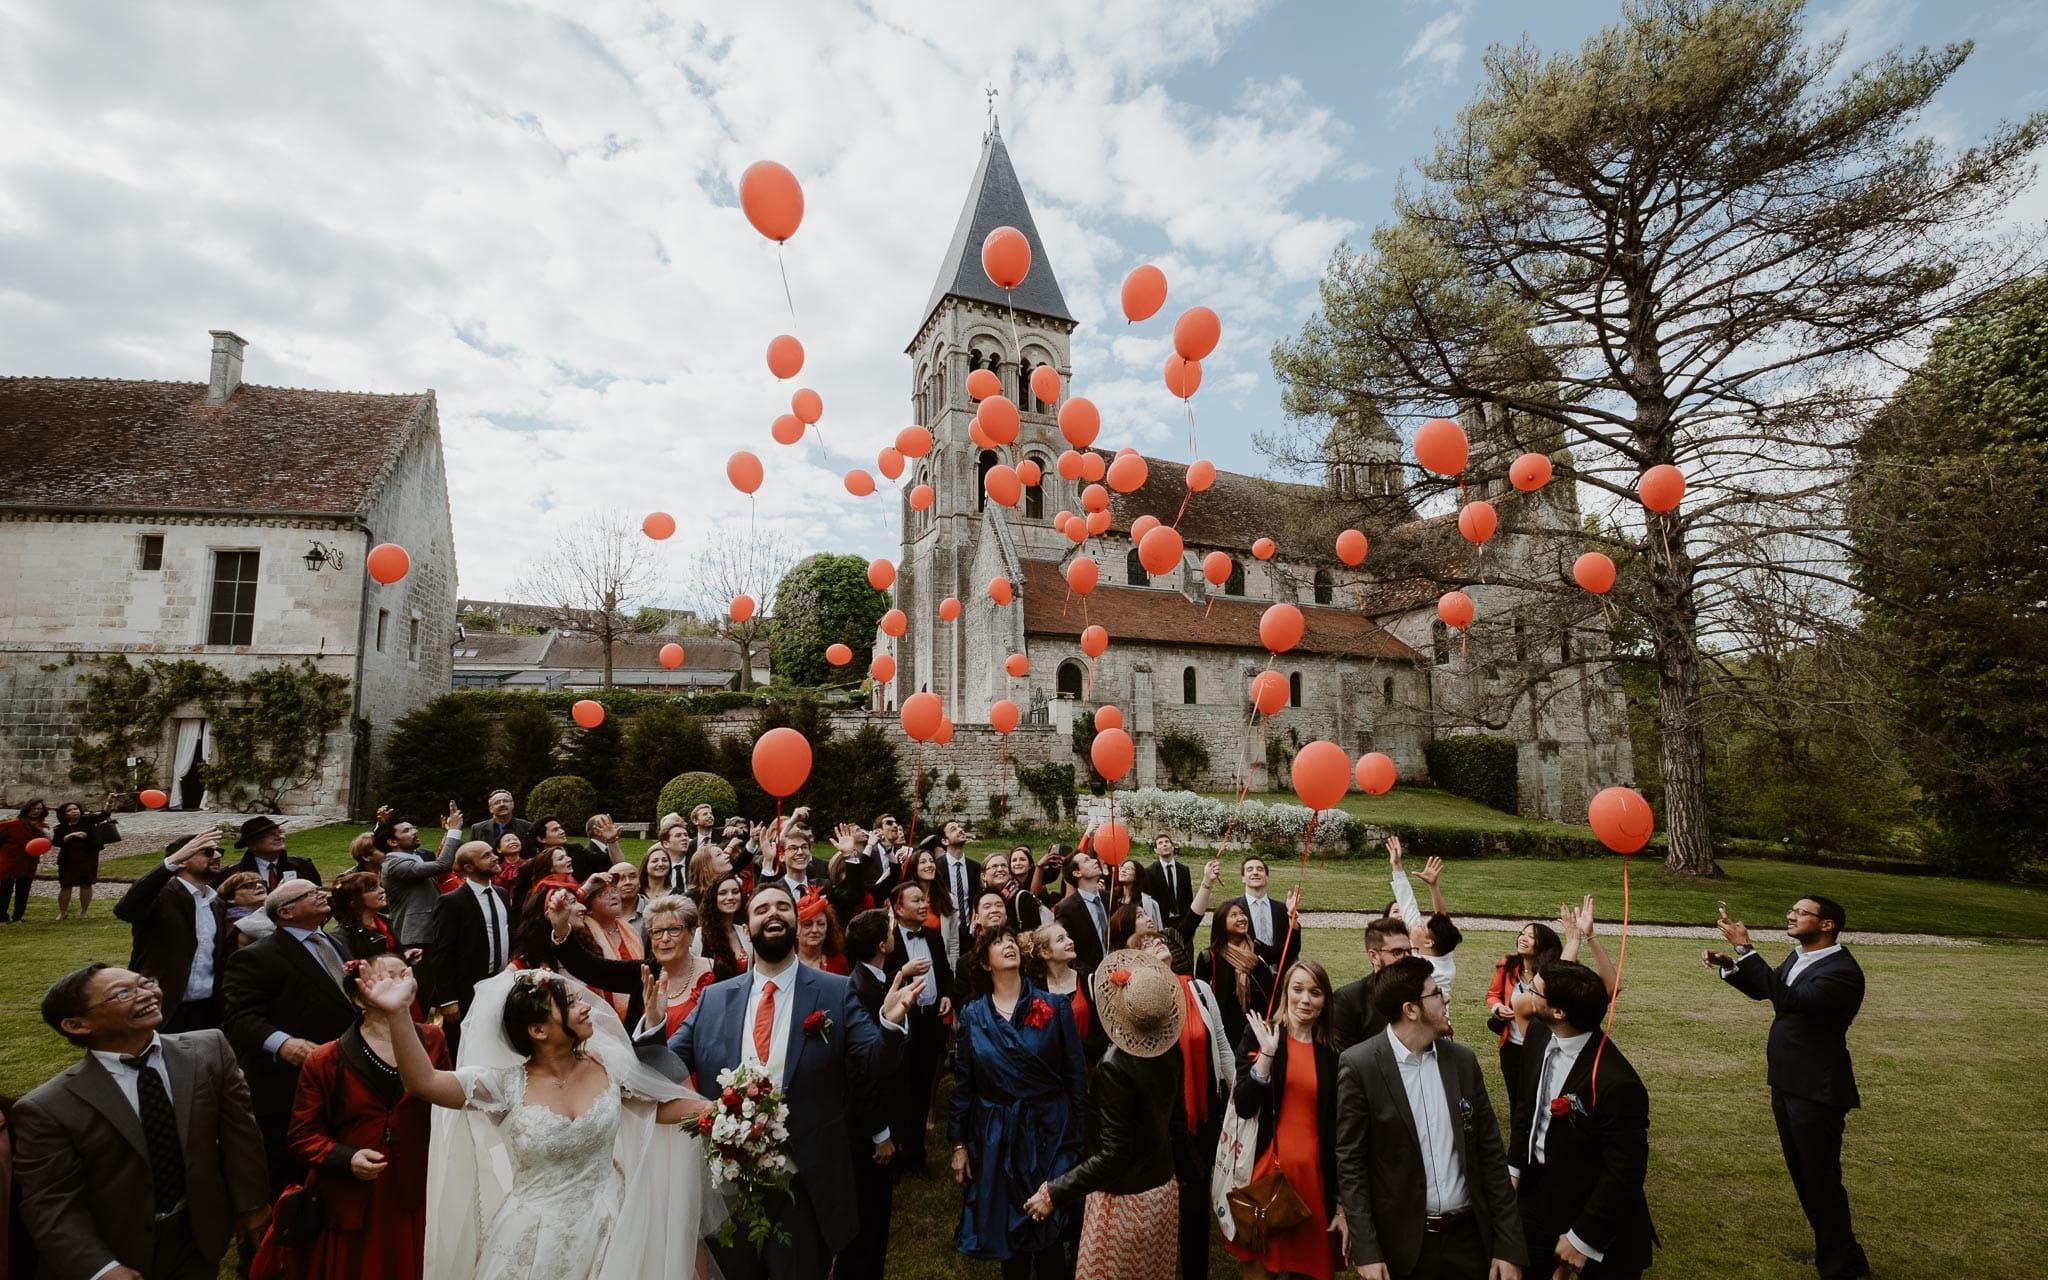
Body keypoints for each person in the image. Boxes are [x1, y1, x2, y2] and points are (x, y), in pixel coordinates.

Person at [367, 963, 721, 1280]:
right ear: (537, 1030)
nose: (586, 1007)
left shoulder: (606, 1065)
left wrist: (721, 1110)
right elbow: (423, 1083)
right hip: (534, 1243)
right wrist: (398, 1014)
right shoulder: (503, 1086)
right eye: (570, 1003)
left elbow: (656, 1107)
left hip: (614, 1228)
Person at [661, 881, 921, 1280]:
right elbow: (666, 1064)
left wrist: (888, 1023)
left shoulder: (837, 991)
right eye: (761, 908)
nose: (773, 914)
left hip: (807, 1184)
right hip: (728, 1186)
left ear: (796, 926)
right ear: (746, 930)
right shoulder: (714, 998)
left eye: (783, 907)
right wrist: (651, 1025)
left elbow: (875, 1062)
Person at [14, 963, 271, 1280]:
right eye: (123, 993)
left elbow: (241, 1135)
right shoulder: (48, 1107)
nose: (148, 995)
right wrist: (101, 1268)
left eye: (146, 983)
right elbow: (51, 1202)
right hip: (113, 1248)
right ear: (77, 1024)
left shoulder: (209, 1050)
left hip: (196, 1240)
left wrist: (252, 1204)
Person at [1705, 897, 1868, 1280]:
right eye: (1791, 910)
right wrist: (1732, 965)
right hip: (1787, 1081)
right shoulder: (1800, 957)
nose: (1791, 916)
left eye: (1801, 912)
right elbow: (1771, 990)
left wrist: (1745, 948)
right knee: (1806, 1176)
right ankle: (1842, 1255)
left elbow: (1791, 1000)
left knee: (1821, 1179)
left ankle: (1841, 1267)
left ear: (1827, 925)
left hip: (1816, 1089)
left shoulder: (1842, 971)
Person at [1335, 957, 1524, 1280]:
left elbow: (1491, 1155)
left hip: (1469, 1242)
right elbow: (1351, 1165)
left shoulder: (1462, 1061)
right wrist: (1367, 1251)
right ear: (1411, 1010)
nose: (1446, 997)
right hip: (1405, 1249)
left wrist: (1508, 1245)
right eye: (1436, 993)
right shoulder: (1360, 1066)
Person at [1025, 948, 1196, 1280]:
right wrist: (1190, 1172)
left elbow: (1114, 1154)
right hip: (1162, 1193)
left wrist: (1053, 1192)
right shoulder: (1170, 1047)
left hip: (1125, 1203)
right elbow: (1177, 1122)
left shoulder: (1114, 1067)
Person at [283, 952, 451, 1280]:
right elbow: (301, 1135)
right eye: (389, 975)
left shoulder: (432, 1039)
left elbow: (446, 1109)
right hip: (355, 1195)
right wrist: (346, 1157)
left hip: (415, 1187)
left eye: (406, 973)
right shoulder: (325, 1059)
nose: (403, 982)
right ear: (360, 996)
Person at [950, 925, 1087, 1280]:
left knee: (1050, 1227)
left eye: (1011, 939)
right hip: (998, 1134)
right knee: (1009, 1233)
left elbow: (1075, 1076)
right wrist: (960, 1142)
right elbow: (964, 1084)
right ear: (984, 964)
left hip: (1049, 1129)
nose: (1007, 944)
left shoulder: (1055, 1006)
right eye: (997, 942)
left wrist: (1080, 1135)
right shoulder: (972, 1016)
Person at [1506, 961, 1654, 1280]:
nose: (1527, 993)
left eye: (1535, 990)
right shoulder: (1537, 1035)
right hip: (1538, 1192)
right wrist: (1514, 1170)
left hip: (1594, 1207)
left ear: (1559, 1012)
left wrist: (1583, 1238)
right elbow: (1525, 1109)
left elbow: (1625, 1168)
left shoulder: (1617, 1082)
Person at [221, 877, 362, 1198]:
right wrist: (282, 1043)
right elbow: (238, 1018)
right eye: (310, 894)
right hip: (290, 1086)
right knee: (291, 1178)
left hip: (345, 1071)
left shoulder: (336, 942)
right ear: (285, 912)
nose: (321, 895)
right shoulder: (258, 956)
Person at [1227, 958, 1345, 1280]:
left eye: (1315, 992)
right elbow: (1245, 1105)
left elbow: (1338, 1129)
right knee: (1259, 1270)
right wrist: (1266, 1055)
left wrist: (1340, 1203)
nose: (1306, 999)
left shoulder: (1333, 1054)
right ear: (1286, 993)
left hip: (1313, 1181)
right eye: (1298, 989)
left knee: (1308, 1270)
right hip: (1265, 1176)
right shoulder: (1260, 1036)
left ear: (1325, 1001)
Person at [1149, 928, 1233, 1280]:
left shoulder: (1200, 989)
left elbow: (1223, 1044)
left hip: (1203, 1112)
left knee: (1196, 1199)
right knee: (1161, 1201)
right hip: (1160, 1119)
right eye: (1145, 945)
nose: (1156, 946)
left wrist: (1238, 1093)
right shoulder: (1139, 996)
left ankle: (1195, 1271)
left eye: (1159, 942)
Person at [114, 830, 231, 1032]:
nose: (218, 855)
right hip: (163, 1004)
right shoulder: (160, 896)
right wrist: (171, 862)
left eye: (219, 850)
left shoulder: (216, 903)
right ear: (183, 860)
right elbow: (126, 909)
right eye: (208, 852)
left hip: (206, 1008)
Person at [837, 909, 899, 1280]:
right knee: (867, 1219)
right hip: (867, 1132)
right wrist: (881, 1133)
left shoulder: (876, 980)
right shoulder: (862, 990)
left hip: (877, 1122)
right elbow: (861, 1072)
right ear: (881, 945)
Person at [884, 880, 952, 1177]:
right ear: (898, 909)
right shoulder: (887, 940)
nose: (924, 904)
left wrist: (948, 994)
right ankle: (896, 1152)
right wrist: (903, 972)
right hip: (903, 1024)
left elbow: (945, 971)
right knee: (901, 1089)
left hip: (930, 1020)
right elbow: (877, 980)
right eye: (916, 901)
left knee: (924, 1089)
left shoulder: (934, 936)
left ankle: (916, 1153)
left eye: (924, 900)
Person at [427, 843, 514, 1033]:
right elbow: (443, 952)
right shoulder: (452, 901)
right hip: (468, 988)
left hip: (500, 982)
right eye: (486, 856)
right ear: (469, 867)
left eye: (492, 852)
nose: (495, 857)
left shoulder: (501, 894)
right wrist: (448, 998)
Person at [382, 805, 465, 957]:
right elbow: (443, 865)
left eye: (413, 828)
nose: (414, 831)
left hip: (429, 934)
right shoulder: (394, 864)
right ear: (393, 842)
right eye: (406, 831)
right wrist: (453, 831)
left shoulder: (414, 859)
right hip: (415, 939)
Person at [1387, 839, 1463, 1002]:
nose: (1416, 924)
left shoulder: (1435, 973)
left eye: (1421, 926)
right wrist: (1397, 865)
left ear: (1428, 942)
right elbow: (1440, 921)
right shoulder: (1442, 951)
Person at [1196, 900, 1277, 1051]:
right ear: (1222, 923)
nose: (1241, 918)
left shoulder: (1257, 948)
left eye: (1242, 914)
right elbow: (1201, 1000)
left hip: (1258, 1028)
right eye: (1234, 915)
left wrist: (1293, 920)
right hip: (1226, 1032)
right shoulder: (1209, 957)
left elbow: (1285, 952)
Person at [1332, 918, 1415, 1052]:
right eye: (1397, 952)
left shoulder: (1421, 993)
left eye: (1409, 951)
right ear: (1374, 956)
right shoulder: (1348, 1001)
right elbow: (1347, 1062)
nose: (1407, 958)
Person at [641, 895, 715, 1041]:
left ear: (692, 933)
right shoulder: (644, 973)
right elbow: (591, 967)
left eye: (674, 929)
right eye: (657, 932)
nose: (665, 938)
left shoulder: (718, 973)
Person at [1025, 920, 1099, 1064]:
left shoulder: (1089, 980)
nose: (1070, 941)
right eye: (1061, 939)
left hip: (1089, 1067)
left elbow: (1101, 1033)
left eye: (1068, 936)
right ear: (1045, 952)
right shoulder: (1035, 992)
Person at [1218, 856, 1301, 970]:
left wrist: (1292, 918)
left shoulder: (1282, 909)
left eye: (1260, 869)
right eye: (1250, 869)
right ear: (1243, 878)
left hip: (1279, 976)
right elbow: (1221, 945)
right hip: (1245, 973)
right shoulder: (1232, 908)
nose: (1255, 872)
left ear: (1267, 877)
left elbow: (1293, 949)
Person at [580, 876, 643, 1019]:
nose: (613, 896)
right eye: (603, 894)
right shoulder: (583, 933)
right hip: (598, 1015)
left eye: (615, 891)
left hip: (636, 1011)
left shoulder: (630, 931)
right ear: (588, 907)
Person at [51, 796, 117, 920]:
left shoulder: (87, 820)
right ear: (64, 815)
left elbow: (103, 815)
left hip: (88, 857)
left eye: (75, 808)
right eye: (69, 810)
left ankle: (83, 912)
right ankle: (63, 912)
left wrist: (110, 802)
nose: (74, 811)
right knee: (66, 885)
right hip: (68, 859)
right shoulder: (61, 828)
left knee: (86, 884)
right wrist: (72, 835)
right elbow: (56, 842)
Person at [1054, 848, 1114, 972]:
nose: (1094, 861)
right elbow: (1066, 950)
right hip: (1090, 976)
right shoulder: (1067, 909)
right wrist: (1089, 975)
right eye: (1087, 861)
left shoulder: (1110, 898)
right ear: (1077, 873)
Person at [227, 817, 321, 890]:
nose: (279, 837)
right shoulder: (234, 875)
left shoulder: (304, 867)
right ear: (252, 844)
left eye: (280, 832)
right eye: (270, 834)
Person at [935, 822, 981, 967]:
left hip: (969, 931)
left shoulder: (975, 867)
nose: (960, 830)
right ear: (944, 841)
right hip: (946, 931)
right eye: (953, 829)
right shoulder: (936, 867)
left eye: (960, 827)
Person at [331, 870, 404, 959]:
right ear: (354, 901)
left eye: (379, 886)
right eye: (373, 889)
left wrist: (405, 955)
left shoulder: (385, 920)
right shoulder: (343, 936)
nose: (382, 890)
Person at [0, 800, 49, 924]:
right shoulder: (11, 824)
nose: (36, 811)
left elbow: (44, 844)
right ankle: (1, 917)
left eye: (39, 809)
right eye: (34, 808)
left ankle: (18, 916)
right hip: (11, 861)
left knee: (24, 890)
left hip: (29, 862)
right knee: (5, 890)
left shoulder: (42, 827)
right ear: (27, 809)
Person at [698, 870, 752, 978]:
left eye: (735, 892)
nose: (731, 897)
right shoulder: (699, 935)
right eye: (723, 893)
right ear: (713, 898)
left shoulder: (744, 932)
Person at [1142, 835, 1197, 933]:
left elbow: (1188, 897)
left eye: (1167, 842)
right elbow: (1151, 900)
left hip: (1182, 920)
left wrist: (1189, 920)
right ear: (1155, 850)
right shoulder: (1150, 872)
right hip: (1162, 921)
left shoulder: (1184, 870)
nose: (1164, 844)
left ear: (1172, 847)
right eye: (1160, 843)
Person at [795, 894, 850, 974]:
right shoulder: (784, 964)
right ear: (795, 929)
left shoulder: (839, 962)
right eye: (808, 924)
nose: (815, 930)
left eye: (821, 924)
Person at [219, 870, 273, 951]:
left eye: (262, 883)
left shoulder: (268, 913)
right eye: (249, 884)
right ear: (231, 898)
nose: (259, 886)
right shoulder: (232, 918)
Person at [580, 815, 626, 879]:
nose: (613, 827)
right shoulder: (591, 854)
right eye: (607, 825)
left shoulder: (608, 848)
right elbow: (621, 868)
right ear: (597, 831)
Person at [611, 862, 644, 930]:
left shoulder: (655, 911)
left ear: (640, 882)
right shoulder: (601, 912)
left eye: (633, 877)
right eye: (621, 878)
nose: (628, 882)